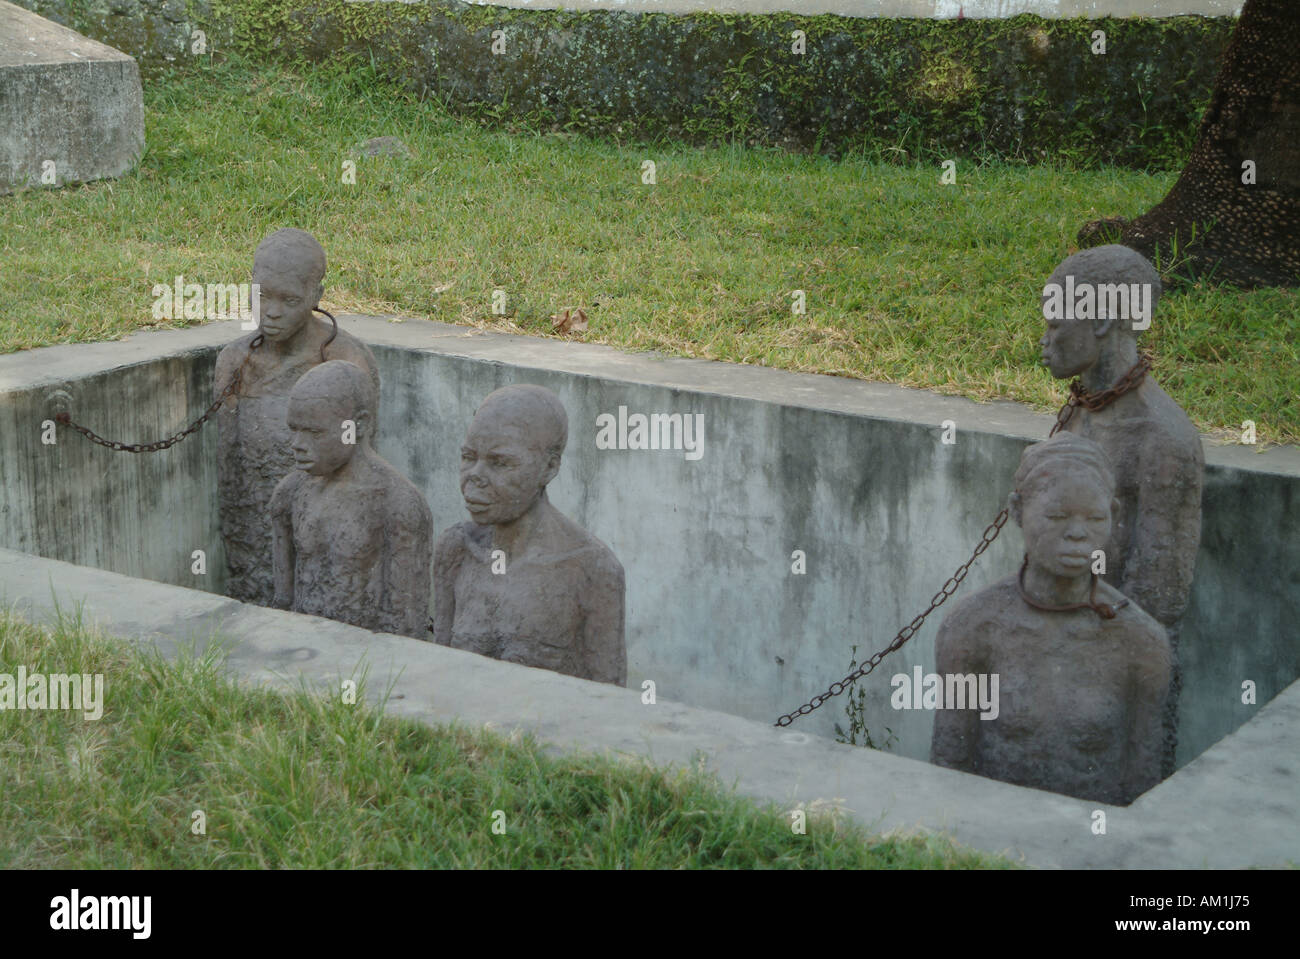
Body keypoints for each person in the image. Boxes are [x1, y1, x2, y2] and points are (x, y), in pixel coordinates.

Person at [930, 433, 1170, 806]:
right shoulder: (973, 628)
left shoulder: (1140, 642)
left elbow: (1144, 785)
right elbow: (950, 764)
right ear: (1017, 511)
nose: (1077, 533)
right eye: (1057, 516)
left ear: (1115, 515)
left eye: (1094, 518)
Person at [1040, 244, 1203, 776]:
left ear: (1105, 318)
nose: (1045, 341)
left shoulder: (1162, 436)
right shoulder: (1081, 413)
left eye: (1056, 323)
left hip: (1118, 654)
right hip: (1061, 631)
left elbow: (1160, 593)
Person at [216, 228, 380, 605]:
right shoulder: (234, 361)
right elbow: (230, 475)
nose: (271, 312)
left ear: (315, 296)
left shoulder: (346, 361)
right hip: (253, 533)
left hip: (326, 537)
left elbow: (363, 471)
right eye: (261, 296)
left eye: (288, 300)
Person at [432, 384, 626, 686]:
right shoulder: (456, 550)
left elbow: (608, 700)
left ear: (549, 467)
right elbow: (441, 674)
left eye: (500, 463)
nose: (475, 477)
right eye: (469, 457)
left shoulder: (591, 570)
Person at [270, 361, 432, 640]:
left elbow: (406, 620)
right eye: (294, 429)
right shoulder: (291, 493)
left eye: (315, 432)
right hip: (305, 648)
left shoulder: (397, 503)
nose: (296, 443)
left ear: (358, 425)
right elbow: (282, 599)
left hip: (367, 658)